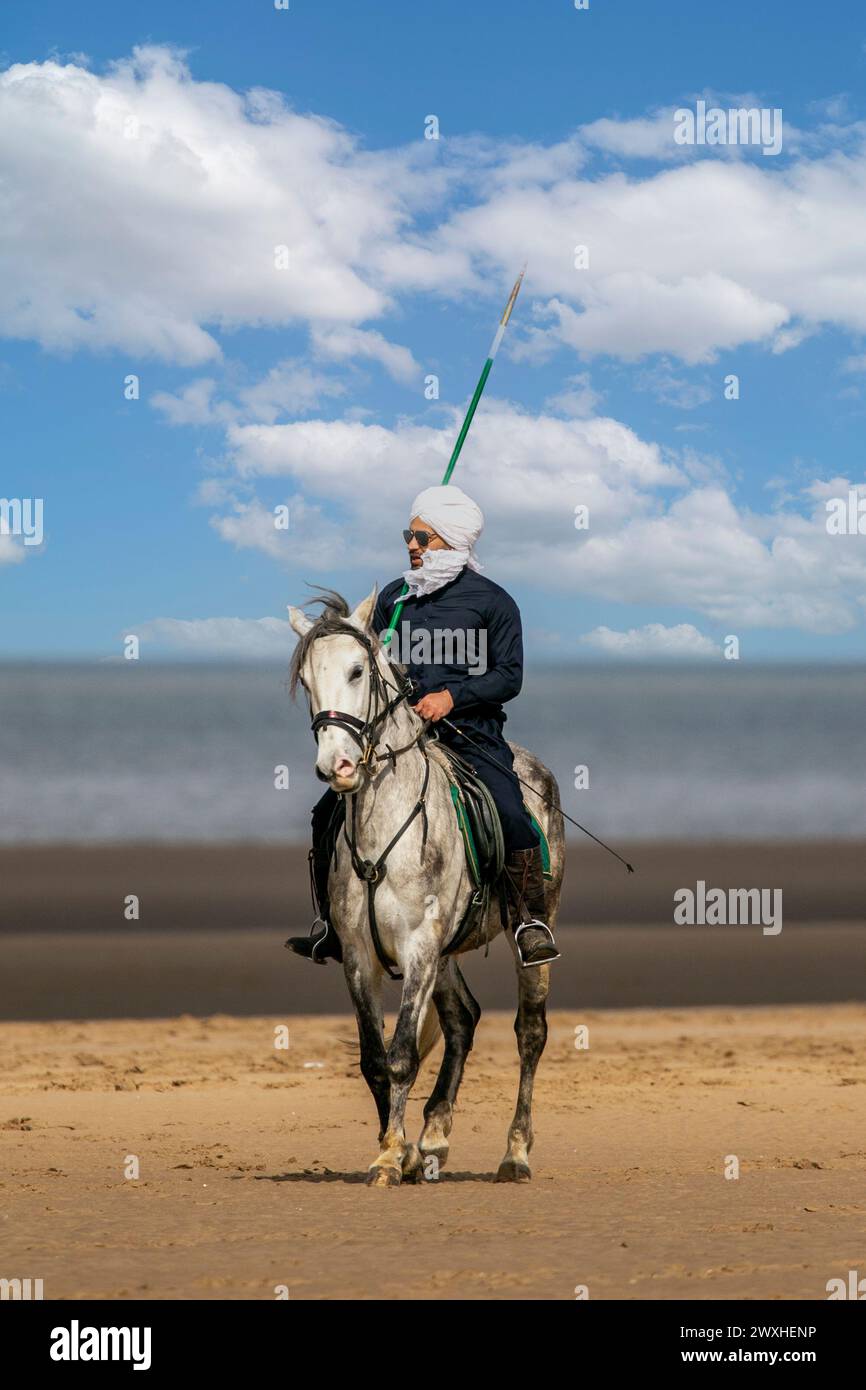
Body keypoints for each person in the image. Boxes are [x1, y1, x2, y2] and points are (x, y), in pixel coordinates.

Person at [286, 484, 559, 968]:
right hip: (396, 739)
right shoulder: (393, 599)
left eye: (422, 537)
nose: (411, 545)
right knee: (324, 813)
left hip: (471, 735)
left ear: (452, 540)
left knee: (513, 813)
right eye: (408, 535)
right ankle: (331, 923)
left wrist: (452, 696)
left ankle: (527, 921)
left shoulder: (493, 602)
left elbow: (508, 676)